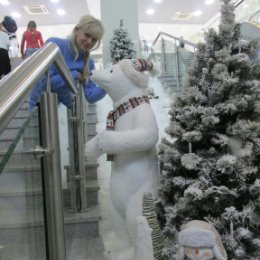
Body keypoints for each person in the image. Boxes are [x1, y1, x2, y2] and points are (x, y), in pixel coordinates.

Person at [29, 15, 106, 110]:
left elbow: (90, 96)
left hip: (65, 113)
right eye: (87, 35)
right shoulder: (55, 45)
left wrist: (108, 84)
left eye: (94, 39)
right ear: (77, 30)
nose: (89, 41)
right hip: (41, 110)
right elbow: (45, 83)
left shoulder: (88, 62)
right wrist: (74, 75)